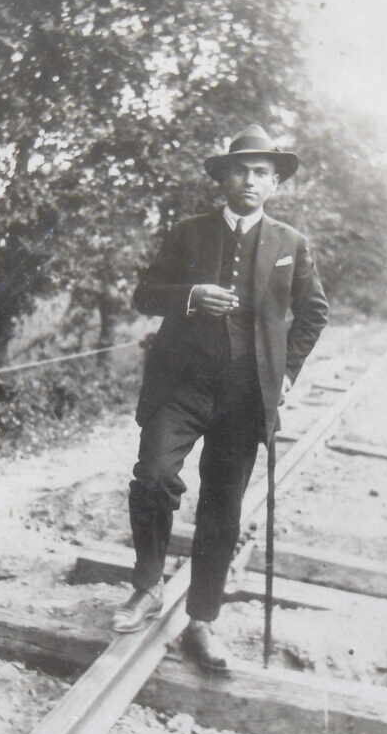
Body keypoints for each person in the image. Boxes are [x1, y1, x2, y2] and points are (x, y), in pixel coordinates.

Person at [111, 124, 329, 673]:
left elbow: (314, 313)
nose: (249, 181)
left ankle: (202, 621)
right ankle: (147, 585)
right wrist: (189, 296)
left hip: (245, 395)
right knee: (153, 476)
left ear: (274, 183)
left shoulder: (291, 244)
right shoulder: (187, 234)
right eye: (240, 171)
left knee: (222, 506)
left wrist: (285, 374)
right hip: (180, 385)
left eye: (261, 172)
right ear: (223, 178)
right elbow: (144, 294)